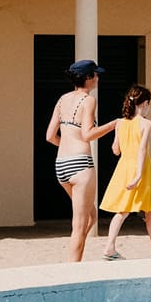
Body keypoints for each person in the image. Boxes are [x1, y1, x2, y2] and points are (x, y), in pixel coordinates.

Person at [45, 59, 117, 262]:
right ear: (88, 78)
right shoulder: (88, 101)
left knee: (90, 217)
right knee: (79, 224)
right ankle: (73, 269)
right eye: (95, 74)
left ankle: (75, 258)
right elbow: (88, 134)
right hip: (80, 166)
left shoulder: (62, 99)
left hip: (62, 164)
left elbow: (50, 136)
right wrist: (113, 124)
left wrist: (68, 146)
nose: (98, 77)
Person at [99, 83, 151, 260]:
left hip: (123, 167)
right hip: (141, 168)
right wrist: (139, 174)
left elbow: (115, 150)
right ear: (146, 103)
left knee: (122, 210)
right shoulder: (147, 124)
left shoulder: (120, 123)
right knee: (150, 210)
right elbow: (142, 149)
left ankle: (111, 246)